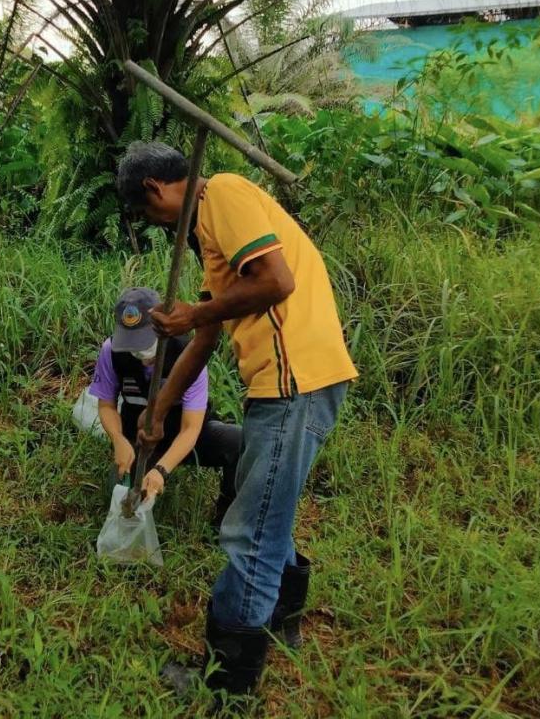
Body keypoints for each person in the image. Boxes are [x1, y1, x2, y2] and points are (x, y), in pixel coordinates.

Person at [116, 141, 358, 707]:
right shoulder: (211, 233)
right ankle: (285, 622)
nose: (158, 226)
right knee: (267, 506)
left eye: (148, 215)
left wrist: (196, 312)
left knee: (249, 530)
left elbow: (277, 282)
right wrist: (157, 410)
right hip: (285, 381)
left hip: (294, 380)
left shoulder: (222, 191)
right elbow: (204, 336)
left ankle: (228, 683)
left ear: (154, 191)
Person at [84, 288, 240, 526]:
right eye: (132, 342)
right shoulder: (112, 352)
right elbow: (106, 405)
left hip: (186, 435)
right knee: (119, 496)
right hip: (141, 439)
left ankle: (225, 523)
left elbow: (191, 428)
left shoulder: (190, 354)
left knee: (239, 444)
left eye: (145, 341)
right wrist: (118, 439)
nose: (139, 351)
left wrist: (161, 470)